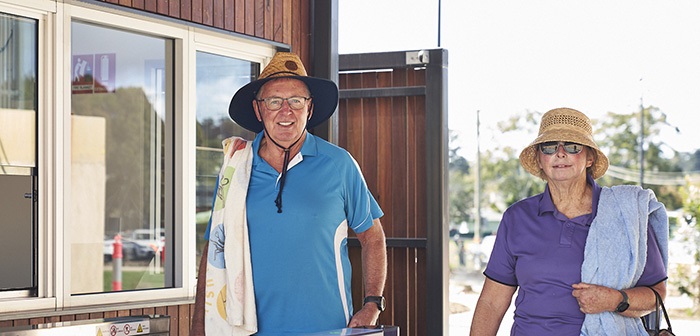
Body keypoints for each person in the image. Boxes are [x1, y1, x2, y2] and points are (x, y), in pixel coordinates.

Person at [190, 52, 388, 335]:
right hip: (247, 331)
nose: (286, 112)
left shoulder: (339, 164)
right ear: (258, 110)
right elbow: (215, 248)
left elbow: (373, 237)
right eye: (274, 101)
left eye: (296, 100)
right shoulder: (235, 169)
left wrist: (372, 304)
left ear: (309, 108)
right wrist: (200, 324)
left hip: (327, 329)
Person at [469, 107, 669, 335]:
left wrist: (616, 300)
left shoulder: (625, 214)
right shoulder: (517, 217)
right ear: (540, 158)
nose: (560, 153)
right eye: (550, 146)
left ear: (589, 158)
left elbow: (657, 294)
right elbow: (492, 303)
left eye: (572, 146)